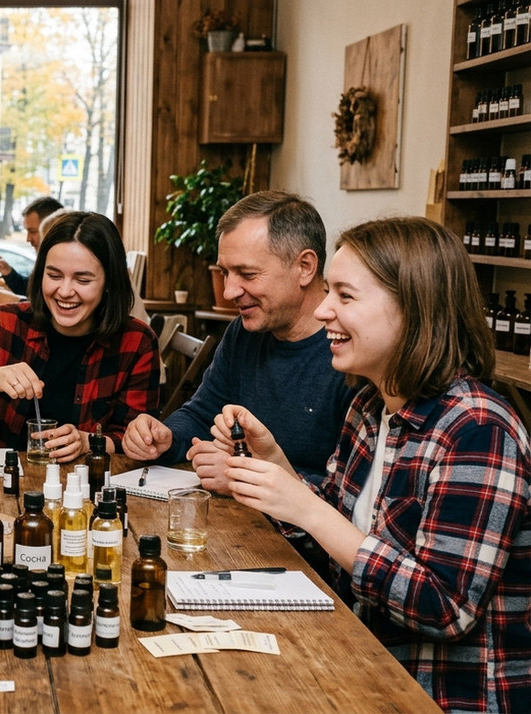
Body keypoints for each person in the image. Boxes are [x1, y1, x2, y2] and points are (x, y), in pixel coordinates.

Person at [213, 217, 531, 712]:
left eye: (345, 295)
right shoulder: (370, 407)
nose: (323, 310)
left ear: (414, 309)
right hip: (360, 665)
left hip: (441, 697)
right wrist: (275, 463)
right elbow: (334, 543)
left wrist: (308, 509)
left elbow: (445, 609)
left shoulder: (479, 429)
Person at [121, 191, 355, 490]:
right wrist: (165, 437)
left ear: (305, 267)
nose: (229, 291)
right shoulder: (243, 333)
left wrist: (242, 473)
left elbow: (347, 494)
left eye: (247, 273)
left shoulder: (351, 352)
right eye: (225, 272)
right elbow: (201, 415)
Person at [0, 211, 160, 460]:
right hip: (4, 478)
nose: (64, 291)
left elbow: (140, 441)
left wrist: (88, 442)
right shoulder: (6, 323)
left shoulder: (137, 341)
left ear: (108, 283)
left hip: (90, 481)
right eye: (54, 276)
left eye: (82, 280)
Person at [0, 195, 62, 305]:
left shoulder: (64, 262)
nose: (28, 239)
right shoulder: (46, 260)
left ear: (50, 228)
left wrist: (17, 301)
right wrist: (8, 272)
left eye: (33, 231)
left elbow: (52, 308)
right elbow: (30, 290)